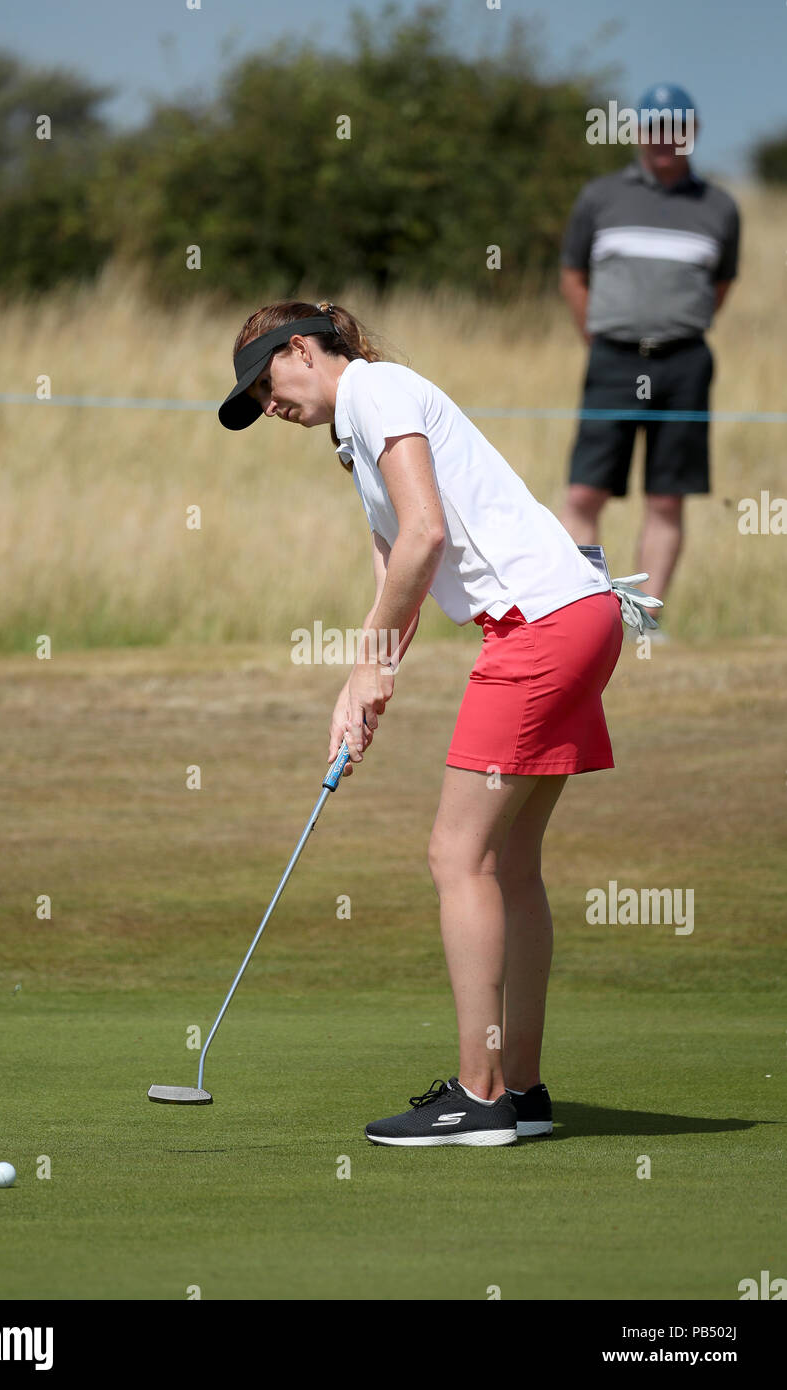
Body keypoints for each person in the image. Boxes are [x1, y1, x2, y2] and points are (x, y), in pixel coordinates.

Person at [218, 300, 625, 1148]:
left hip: (539, 626)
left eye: (265, 384)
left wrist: (369, 659)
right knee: (507, 862)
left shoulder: (377, 390)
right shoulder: (355, 437)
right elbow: (395, 562)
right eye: (254, 402)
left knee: (456, 855)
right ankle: (520, 1089)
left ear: (301, 348)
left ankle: (478, 1102)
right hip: (576, 616)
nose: (267, 406)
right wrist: (365, 682)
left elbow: (427, 535)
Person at [559, 84, 740, 620]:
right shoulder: (600, 196)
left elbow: (721, 284)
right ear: (637, 132)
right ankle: (585, 616)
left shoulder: (720, 206)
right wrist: (598, 334)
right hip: (612, 359)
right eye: (655, 126)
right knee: (586, 493)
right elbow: (573, 273)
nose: (665, 138)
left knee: (666, 498)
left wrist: (677, 326)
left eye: (676, 127)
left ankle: (643, 622)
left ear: (694, 132)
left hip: (685, 362)